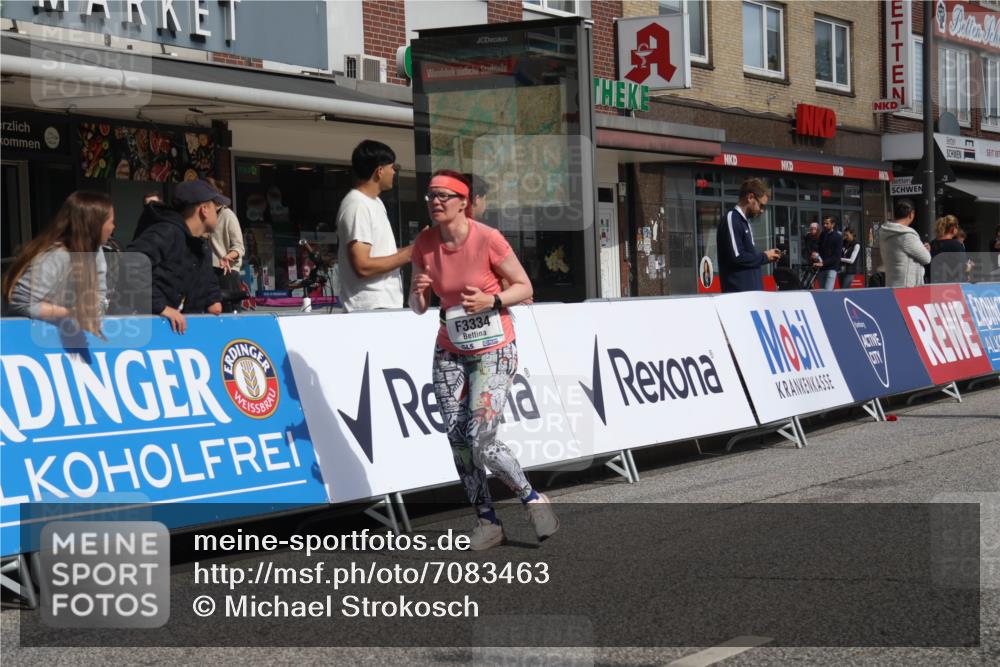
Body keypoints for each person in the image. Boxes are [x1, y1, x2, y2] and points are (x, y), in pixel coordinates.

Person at [409, 170, 557, 551]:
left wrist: (491, 301)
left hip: (494, 348)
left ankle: (530, 497)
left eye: (443, 196)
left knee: (481, 438)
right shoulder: (424, 243)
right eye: (430, 196)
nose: (435, 202)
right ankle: (488, 521)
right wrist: (419, 294)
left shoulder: (488, 238)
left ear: (463, 202)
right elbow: (417, 307)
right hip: (450, 350)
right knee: (458, 440)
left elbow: (525, 287)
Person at [2, 191, 114, 337]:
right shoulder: (56, 256)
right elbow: (20, 303)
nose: (113, 227)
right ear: (95, 224)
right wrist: (72, 314)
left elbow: (98, 296)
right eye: (111, 221)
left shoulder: (96, 251)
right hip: (21, 339)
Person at [126, 179, 224, 334]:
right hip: (152, 332)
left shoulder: (201, 246)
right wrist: (160, 307)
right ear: (204, 209)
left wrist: (213, 299)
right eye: (215, 207)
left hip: (182, 336)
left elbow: (207, 278)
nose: (218, 213)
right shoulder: (166, 232)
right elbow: (130, 263)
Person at [336, 140, 412, 311]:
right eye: (392, 167)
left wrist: (416, 248)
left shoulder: (375, 202)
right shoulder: (357, 205)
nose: (394, 172)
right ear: (379, 171)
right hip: (370, 307)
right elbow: (362, 266)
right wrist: (409, 254)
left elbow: (384, 255)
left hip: (382, 306)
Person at [716, 178, 781, 293]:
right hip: (739, 296)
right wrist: (765, 257)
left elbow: (746, 258)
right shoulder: (732, 218)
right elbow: (737, 257)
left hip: (751, 296)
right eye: (761, 205)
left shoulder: (744, 222)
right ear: (750, 197)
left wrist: (766, 256)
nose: (762, 211)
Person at [206, 178, 246, 312]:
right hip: (210, 273)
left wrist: (227, 257)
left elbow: (239, 247)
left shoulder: (228, 215)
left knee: (230, 315)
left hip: (227, 272)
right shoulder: (206, 216)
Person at [879, 198, 931, 288]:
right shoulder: (907, 235)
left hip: (892, 283)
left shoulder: (885, 231)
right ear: (911, 214)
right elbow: (926, 258)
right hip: (908, 286)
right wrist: (926, 250)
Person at [928, 215, 966, 284]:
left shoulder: (931, 244)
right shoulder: (957, 245)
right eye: (957, 227)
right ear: (953, 229)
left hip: (933, 284)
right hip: (952, 285)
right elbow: (962, 268)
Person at [817, 216, 844, 290]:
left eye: (827, 223)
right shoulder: (822, 235)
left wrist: (823, 263)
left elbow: (836, 256)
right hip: (821, 268)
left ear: (833, 224)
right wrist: (816, 257)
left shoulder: (838, 237)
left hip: (831, 268)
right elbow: (819, 250)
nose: (825, 225)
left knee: (828, 291)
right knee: (822, 292)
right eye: (824, 223)